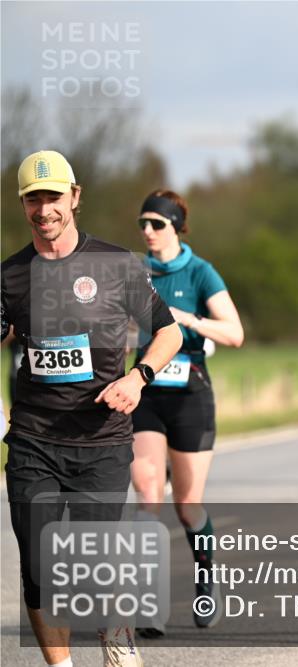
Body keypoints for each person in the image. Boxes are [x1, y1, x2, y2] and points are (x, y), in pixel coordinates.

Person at [2, 150, 182, 667]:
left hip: (102, 440)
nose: (44, 210)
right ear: (23, 205)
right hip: (34, 440)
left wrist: (138, 376)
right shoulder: (11, 275)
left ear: (74, 198)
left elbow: (168, 332)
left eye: (53, 197)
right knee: (39, 564)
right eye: (33, 199)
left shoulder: (115, 264)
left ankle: (116, 640)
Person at [129, 189, 244, 637]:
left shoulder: (200, 272)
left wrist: (188, 319)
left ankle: (205, 578)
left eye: (157, 223)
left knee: (186, 504)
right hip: (146, 392)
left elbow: (235, 333)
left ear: (176, 227)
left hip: (191, 395)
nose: (148, 232)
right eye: (143, 223)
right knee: (147, 493)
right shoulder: (134, 272)